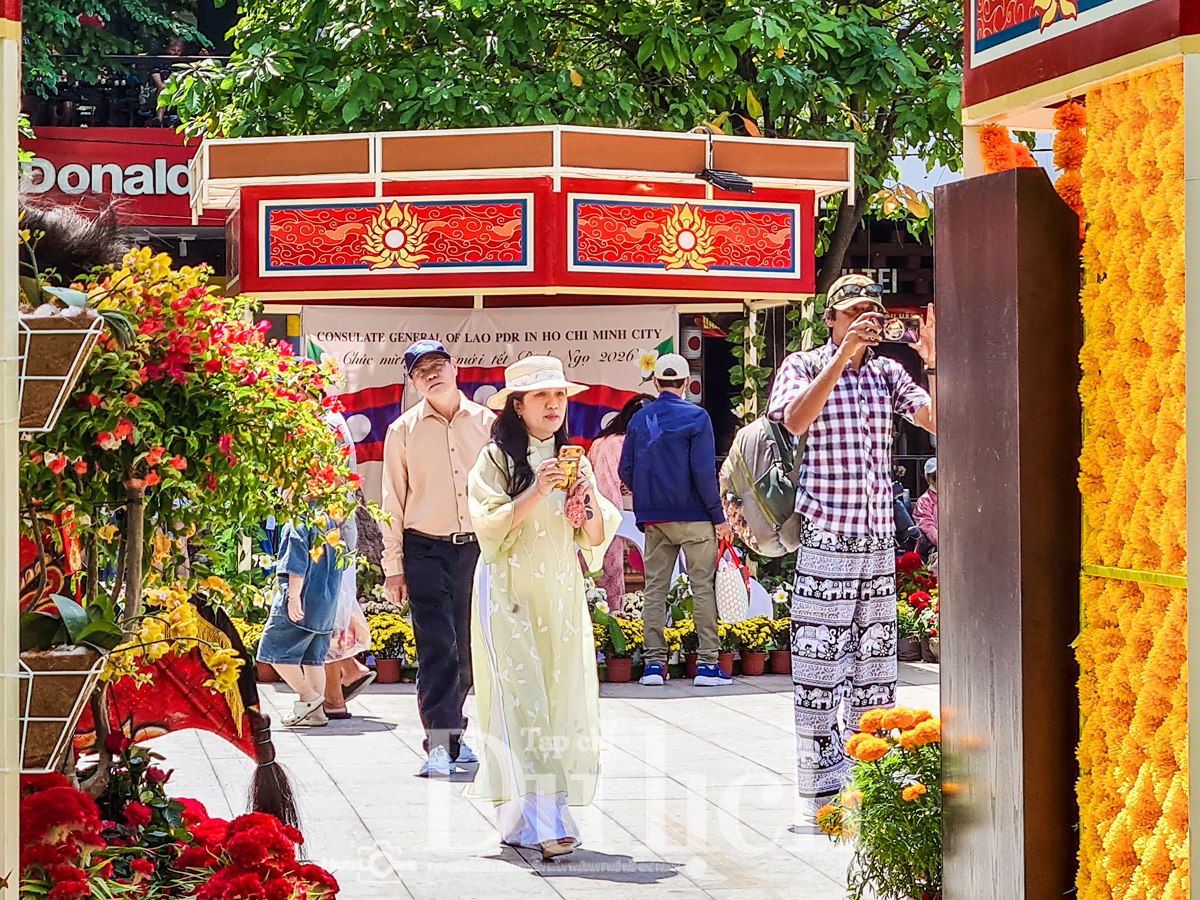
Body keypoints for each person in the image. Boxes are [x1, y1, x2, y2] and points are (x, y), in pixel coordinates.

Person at [766, 273, 936, 824]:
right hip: (827, 534)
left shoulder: (889, 372)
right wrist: (840, 357)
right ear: (832, 318)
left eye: (873, 311)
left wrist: (929, 360)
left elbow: (935, 419)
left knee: (876, 668)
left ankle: (872, 779)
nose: (867, 319)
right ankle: (821, 786)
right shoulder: (805, 364)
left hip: (877, 540)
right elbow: (793, 420)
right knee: (820, 668)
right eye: (855, 311)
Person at [467, 356, 621, 860]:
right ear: (518, 405)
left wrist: (584, 499)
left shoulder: (573, 457)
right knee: (523, 696)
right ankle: (550, 820)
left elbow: (595, 538)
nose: (554, 405)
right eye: (541, 396)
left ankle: (518, 815)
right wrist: (537, 489)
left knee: (561, 696)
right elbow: (489, 530)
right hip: (507, 591)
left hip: (559, 592)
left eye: (560, 396)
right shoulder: (494, 461)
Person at [380, 340, 495, 776]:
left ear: (455, 367)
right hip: (424, 546)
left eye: (438, 365)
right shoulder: (402, 431)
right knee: (436, 646)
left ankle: (455, 736)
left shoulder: (488, 423)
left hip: (479, 549)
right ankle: (439, 743)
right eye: (421, 370)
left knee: (468, 648)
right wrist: (394, 567)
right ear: (412, 382)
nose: (432, 374)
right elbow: (392, 500)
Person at [618, 353, 733, 688]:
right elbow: (702, 472)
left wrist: (645, 500)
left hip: (654, 518)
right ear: (686, 384)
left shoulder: (639, 419)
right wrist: (718, 516)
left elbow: (625, 468)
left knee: (655, 590)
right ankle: (708, 665)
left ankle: (654, 665)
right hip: (694, 517)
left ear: (655, 383)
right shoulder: (697, 417)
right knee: (702, 589)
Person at [256, 510, 346, 728]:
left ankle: (308, 698)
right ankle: (316, 715)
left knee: (274, 651)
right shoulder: (330, 520)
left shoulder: (297, 522)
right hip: (325, 601)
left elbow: (295, 566)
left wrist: (293, 598)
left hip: (303, 600)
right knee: (313, 658)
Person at [322, 409, 374, 720]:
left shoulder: (324, 423)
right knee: (335, 604)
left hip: (328, 524)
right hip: (335, 522)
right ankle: (350, 669)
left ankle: (333, 696)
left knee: (327, 607)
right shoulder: (332, 418)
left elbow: (334, 479)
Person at [586, 393, 653, 608]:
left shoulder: (600, 441)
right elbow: (617, 486)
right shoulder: (621, 442)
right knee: (610, 575)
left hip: (595, 513)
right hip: (613, 512)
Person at [914, 457, 938, 560]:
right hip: (933, 548)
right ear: (928, 479)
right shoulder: (924, 501)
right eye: (935, 477)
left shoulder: (951, 497)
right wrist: (944, 545)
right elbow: (928, 526)